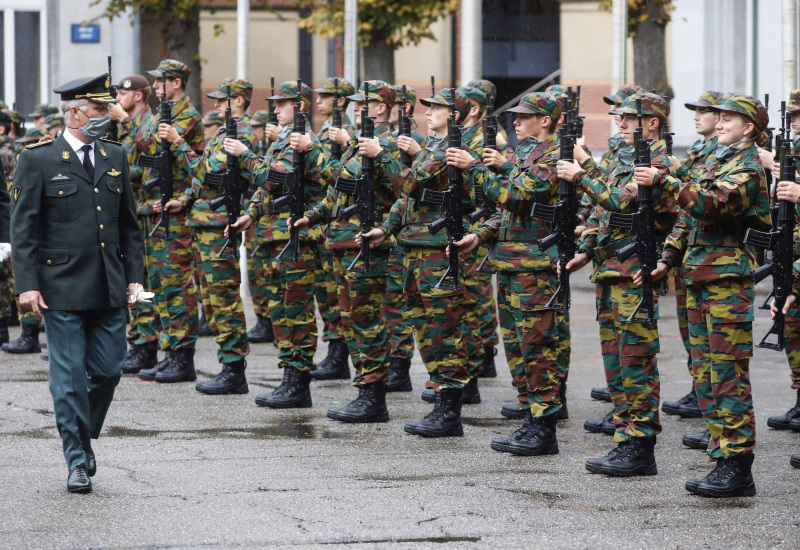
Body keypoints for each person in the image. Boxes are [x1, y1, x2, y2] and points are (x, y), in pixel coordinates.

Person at [10, 73, 144, 493]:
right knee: (67, 381)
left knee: (107, 370)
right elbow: (24, 229)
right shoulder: (38, 159)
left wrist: (137, 278)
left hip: (108, 284)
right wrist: (26, 284)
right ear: (74, 113)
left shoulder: (114, 156)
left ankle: (82, 434)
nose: (108, 116)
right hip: (60, 286)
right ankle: (76, 459)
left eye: (106, 108)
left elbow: (129, 227)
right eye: (100, 109)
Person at [636, 94, 770, 497]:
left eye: (730, 117)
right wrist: (668, 258)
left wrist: (666, 180)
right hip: (698, 276)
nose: (721, 121)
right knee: (707, 374)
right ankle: (721, 455)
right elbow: (686, 219)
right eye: (722, 115)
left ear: (749, 127)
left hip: (726, 281)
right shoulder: (717, 159)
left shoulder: (746, 168)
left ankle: (737, 465)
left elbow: (709, 205)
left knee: (728, 375)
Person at [558, 93, 674, 476]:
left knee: (635, 360)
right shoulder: (625, 159)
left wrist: (580, 175)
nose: (619, 124)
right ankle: (625, 438)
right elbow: (601, 215)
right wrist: (587, 249)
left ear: (652, 122)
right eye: (619, 118)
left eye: (628, 118)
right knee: (616, 362)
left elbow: (617, 202)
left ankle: (640, 446)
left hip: (634, 273)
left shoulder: (659, 163)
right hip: (611, 270)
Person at [446, 92, 567, 455]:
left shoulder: (555, 156)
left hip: (535, 266)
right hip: (509, 262)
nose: (514, 121)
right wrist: (478, 235)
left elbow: (518, 196)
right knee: (516, 348)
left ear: (545, 120)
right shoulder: (520, 154)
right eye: (515, 116)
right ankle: (531, 419)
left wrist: (475, 168)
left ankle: (544, 428)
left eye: (523, 116)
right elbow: (505, 213)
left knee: (538, 348)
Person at [364, 87, 481, 437]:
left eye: (438, 109)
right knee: (423, 327)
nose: (428, 113)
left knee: (444, 328)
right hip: (414, 249)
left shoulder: (451, 152)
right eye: (428, 108)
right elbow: (405, 199)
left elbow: (409, 181)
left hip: (437, 252)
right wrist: (387, 228)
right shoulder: (430, 149)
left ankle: (450, 408)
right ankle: (442, 397)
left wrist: (389, 155)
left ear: (455, 117)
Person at [297, 80, 403, 422]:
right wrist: (312, 216)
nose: (356, 108)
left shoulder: (387, 145)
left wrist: (380, 155)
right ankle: (364, 389)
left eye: (364, 103)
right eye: (354, 103)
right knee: (351, 320)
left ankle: (374, 396)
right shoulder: (358, 146)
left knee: (366, 319)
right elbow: (337, 189)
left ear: (381, 108)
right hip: (342, 243)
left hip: (368, 243)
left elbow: (404, 188)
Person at [222, 80, 326, 408]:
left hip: (294, 238)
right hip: (272, 235)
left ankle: (299, 383)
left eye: (283, 103)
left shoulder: (301, 142)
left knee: (295, 309)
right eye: (275, 103)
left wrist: (246, 155)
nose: (276, 109)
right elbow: (267, 191)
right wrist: (250, 215)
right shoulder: (281, 140)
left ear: (301, 106)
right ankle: (289, 379)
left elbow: (271, 177)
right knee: (280, 309)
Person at [164, 78, 258, 394]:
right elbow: (204, 176)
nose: (216, 105)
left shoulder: (242, 136)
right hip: (205, 225)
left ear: (239, 102)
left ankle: (234, 371)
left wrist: (178, 142)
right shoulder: (223, 133)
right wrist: (186, 199)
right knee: (211, 301)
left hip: (221, 228)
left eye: (222, 100)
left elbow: (204, 172)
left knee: (224, 300)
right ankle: (227, 366)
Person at [661, 91, 726, 438]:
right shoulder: (702, 151)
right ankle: (702, 396)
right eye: (696, 111)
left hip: (719, 263)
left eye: (705, 111)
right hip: (693, 258)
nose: (697, 116)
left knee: (720, 352)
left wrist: (672, 176)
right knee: (694, 337)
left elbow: (701, 202)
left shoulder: (731, 158)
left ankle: (718, 419)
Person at [136, 59, 204, 383]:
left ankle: (183, 355)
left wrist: (173, 137)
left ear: (176, 82)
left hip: (174, 213)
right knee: (161, 287)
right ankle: (169, 349)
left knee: (178, 286)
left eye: (161, 81)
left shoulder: (188, 117)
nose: (156, 87)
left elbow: (197, 168)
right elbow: (144, 151)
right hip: (153, 209)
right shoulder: (158, 115)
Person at [110, 74, 161, 375]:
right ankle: (137, 342)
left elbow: (151, 152)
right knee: (132, 277)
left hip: (145, 209)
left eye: (122, 92)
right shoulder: (122, 123)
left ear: (138, 96)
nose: (117, 97)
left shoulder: (148, 121)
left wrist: (126, 122)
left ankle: (146, 346)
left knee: (143, 280)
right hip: (131, 209)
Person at [309, 77, 356, 378]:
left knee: (336, 292)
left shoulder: (346, 133)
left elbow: (336, 175)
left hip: (338, 222)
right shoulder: (327, 131)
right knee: (326, 292)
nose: (318, 101)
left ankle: (339, 355)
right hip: (324, 221)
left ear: (340, 101)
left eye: (325, 96)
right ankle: (334, 352)